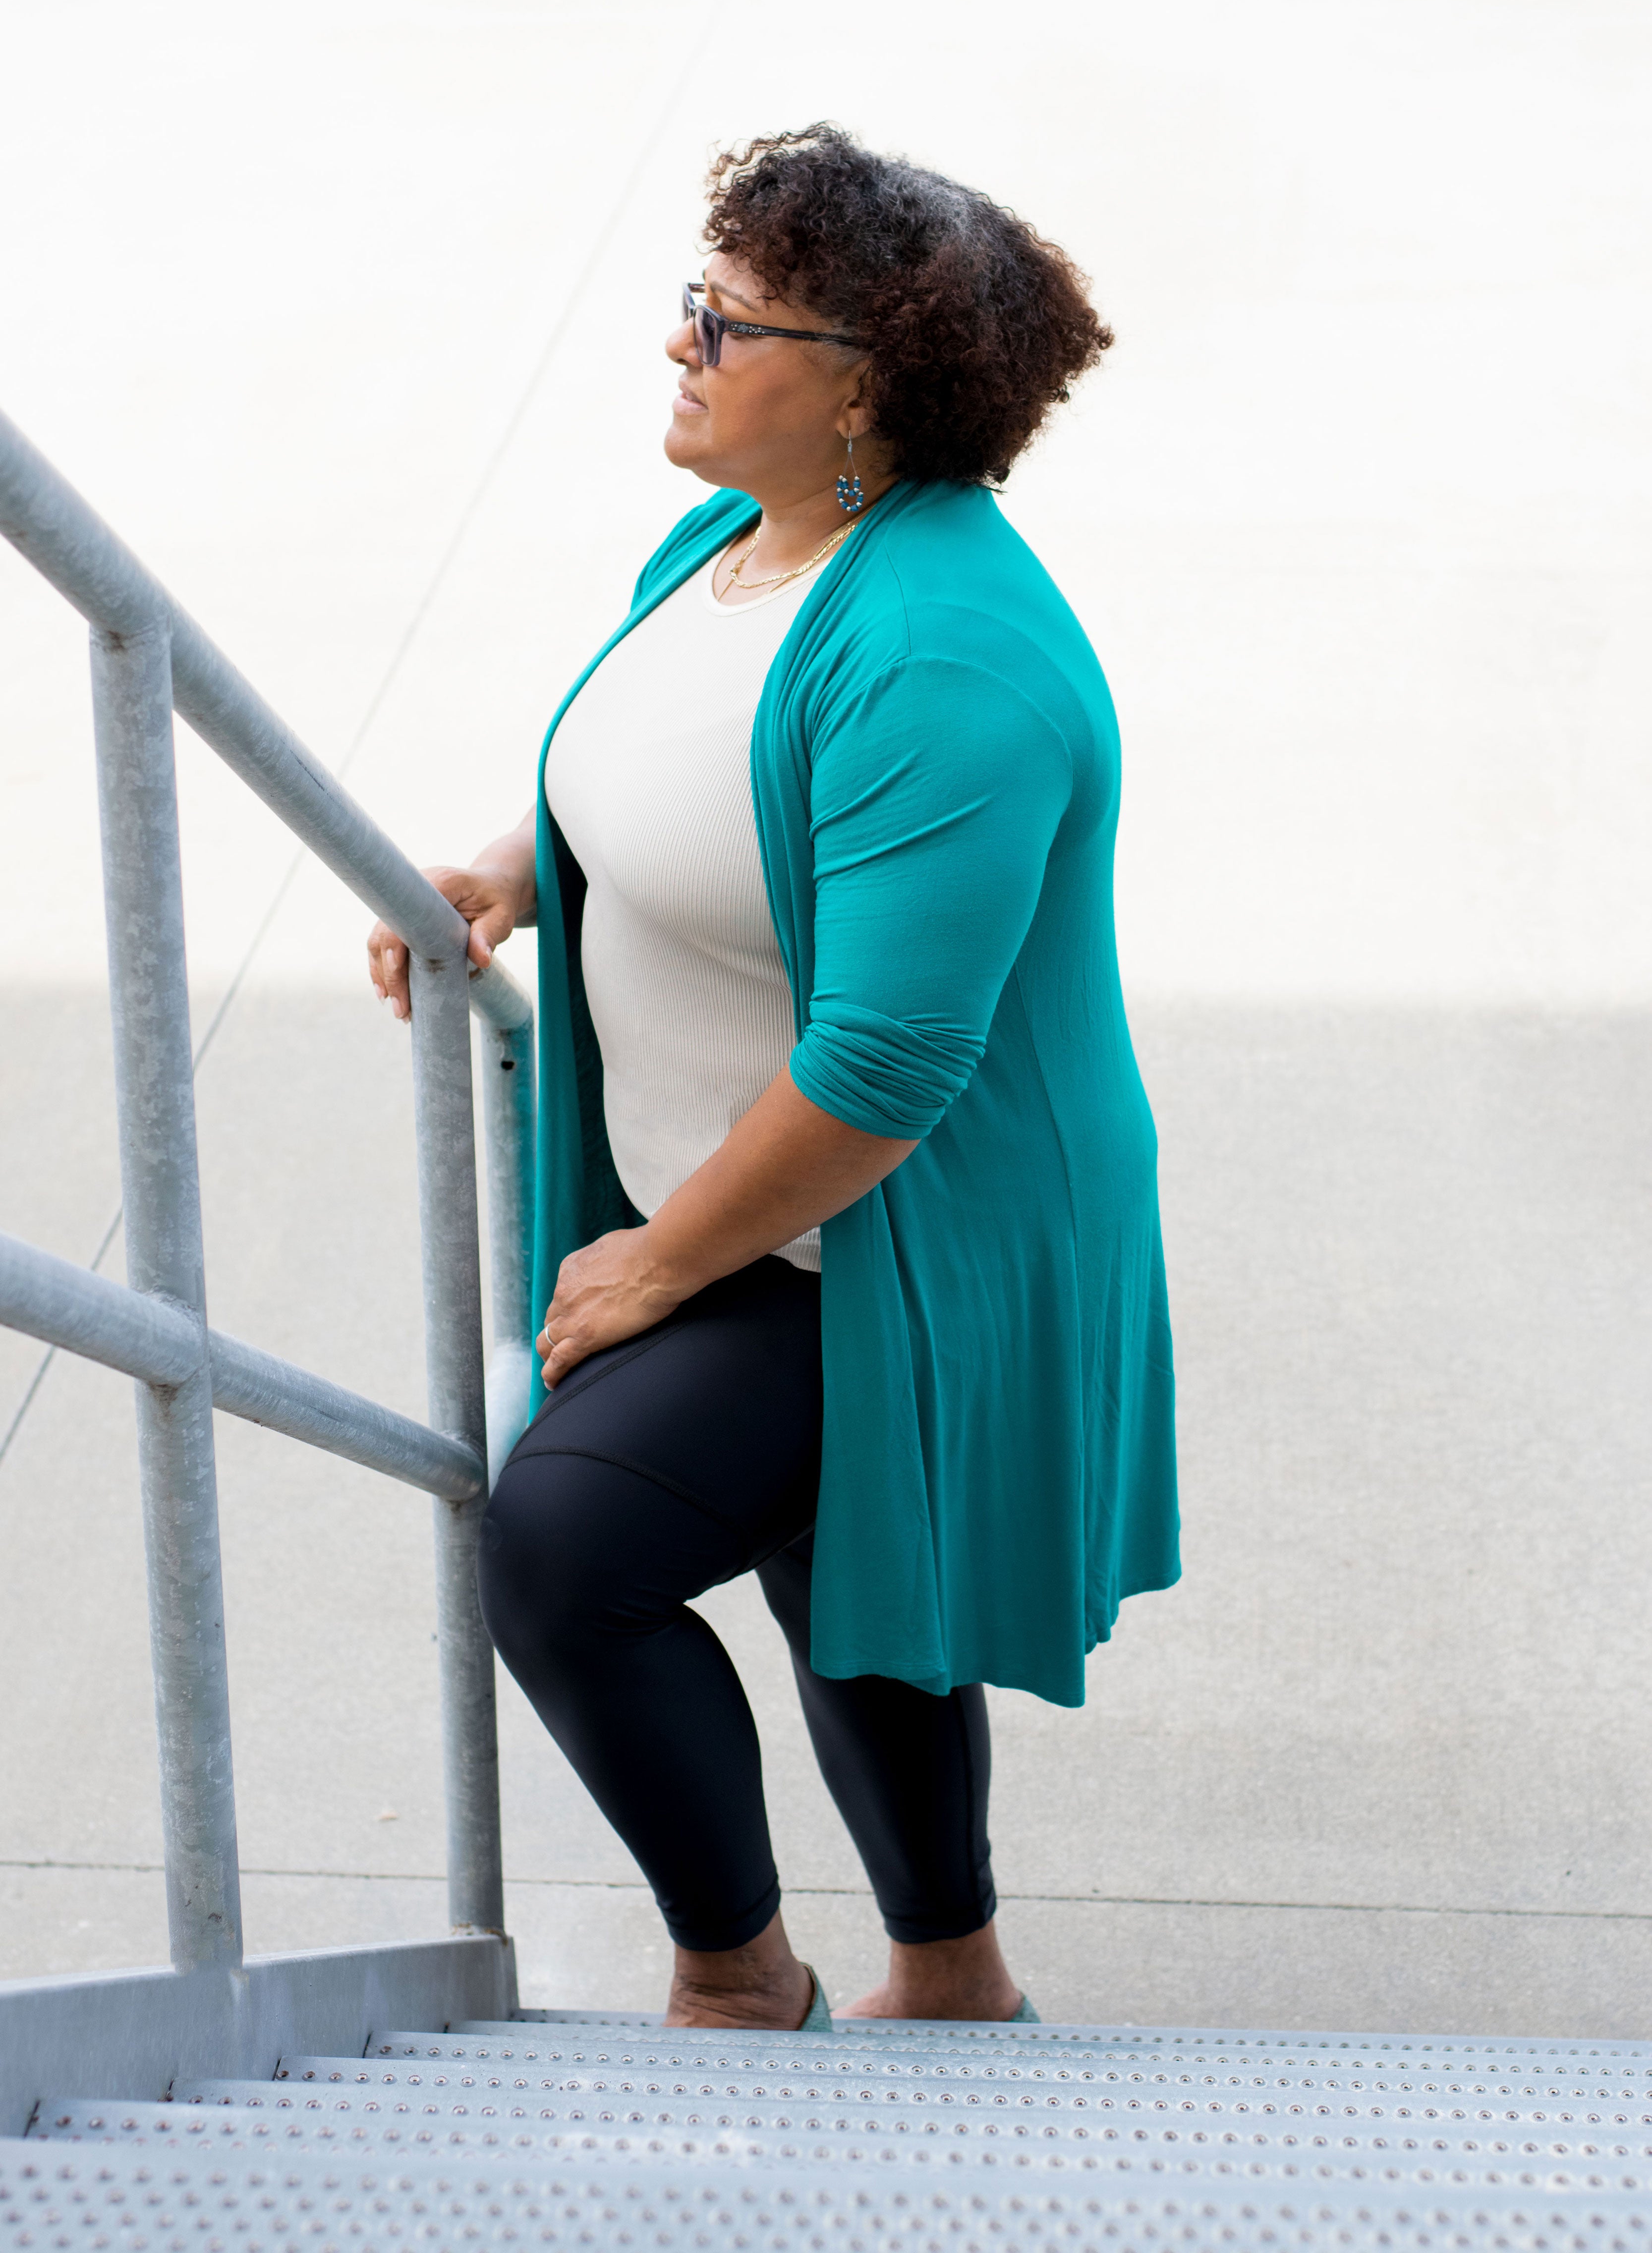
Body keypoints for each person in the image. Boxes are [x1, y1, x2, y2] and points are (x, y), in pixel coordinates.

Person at [367, 126, 1179, 2031]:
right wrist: (514, 867)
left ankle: (742, 1973)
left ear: (864, 389)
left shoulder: (940, 659)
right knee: (845, 1576)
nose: (682, 347)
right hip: (765, 1204)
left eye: (724, 323)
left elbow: (890, 1067)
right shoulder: (745, 540)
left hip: (883, 1234)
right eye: (693, 307)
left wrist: (660, 1265)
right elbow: (679, 769)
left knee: (569, 1549)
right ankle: (955, 1974)